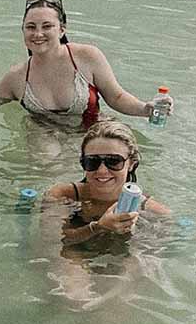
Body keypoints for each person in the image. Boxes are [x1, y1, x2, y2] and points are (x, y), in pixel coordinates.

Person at [41, 120, 170, 305]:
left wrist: (135, 233)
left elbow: (149, 256)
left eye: (113, 161)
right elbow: (51, 241)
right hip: (74, 252)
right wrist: (98, 227)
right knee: (75, 299)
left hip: (120, 255)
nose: (102, 171)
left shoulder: (155, 211)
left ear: (131, 163)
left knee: (116, 300)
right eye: (92, 162)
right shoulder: (62, 195)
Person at [0, 0, 174, 127]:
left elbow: (116, 97)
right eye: (31, 27)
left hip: (94, 130)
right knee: (47, 154)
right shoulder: (15, 77)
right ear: (23, 30)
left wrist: (145, 109)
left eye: (47, 26)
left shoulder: (87, 57)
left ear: (62, 30)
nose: (38, 34)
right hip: (45, 137)